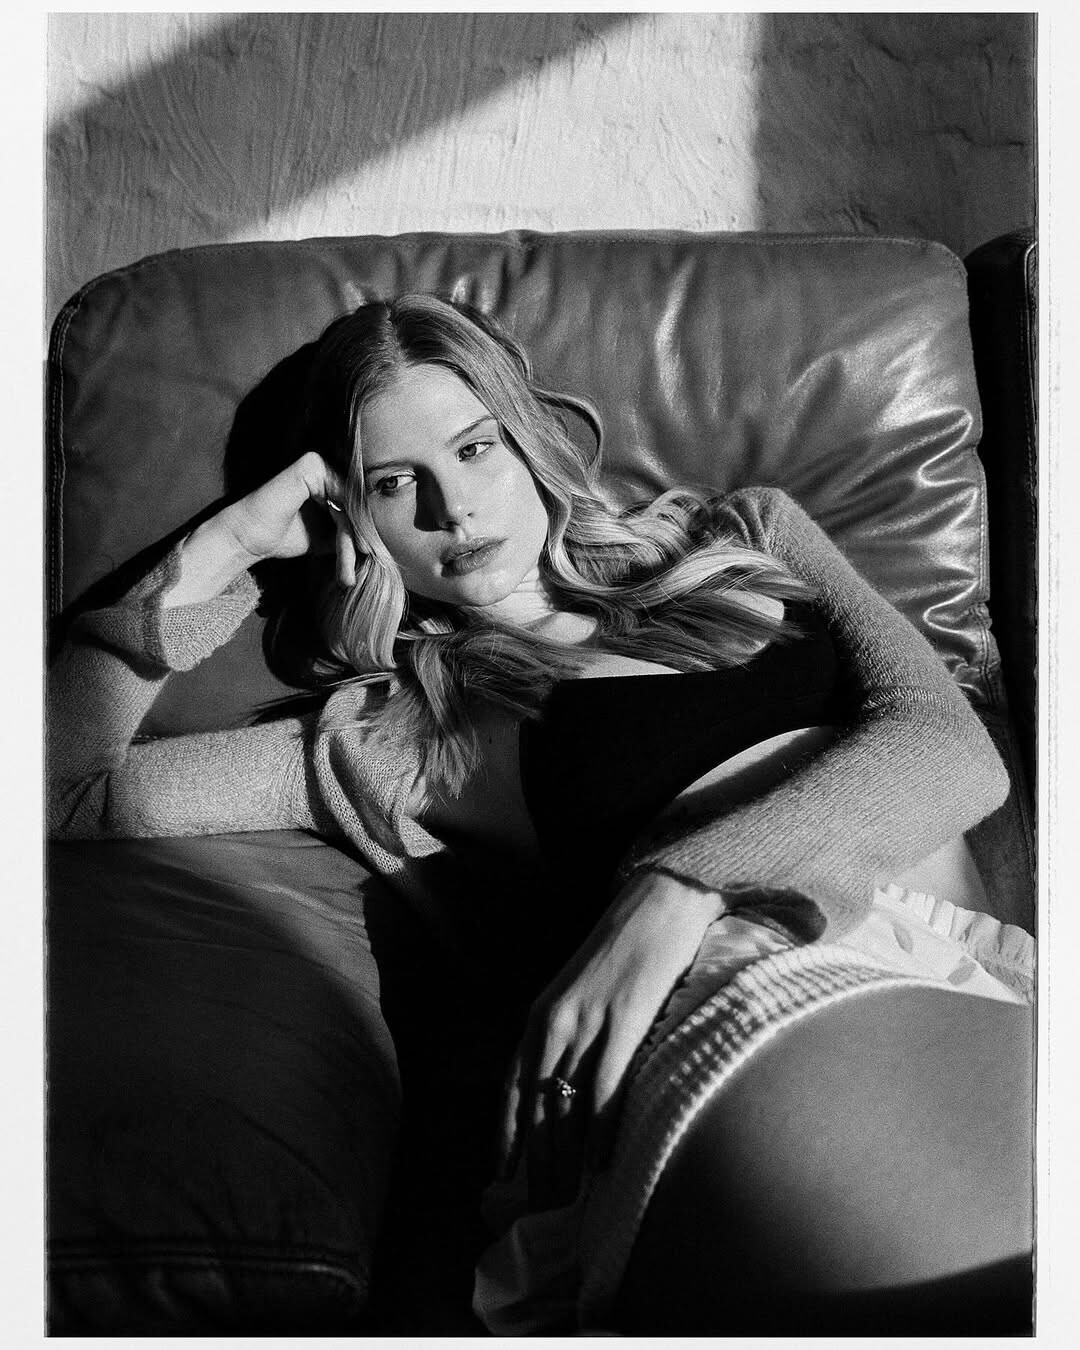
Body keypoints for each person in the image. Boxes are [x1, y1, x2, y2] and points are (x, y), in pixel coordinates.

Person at [49, 294, 1034, 1334]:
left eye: (474, 449)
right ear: (351, 517)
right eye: (394, 483)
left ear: (526, 439)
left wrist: (679, 886)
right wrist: (226, 547)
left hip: (970, 962)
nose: (455, 509)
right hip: (752, 995)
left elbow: (951, 746)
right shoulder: (404, 735)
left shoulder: (745, 534)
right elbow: (64, 787)